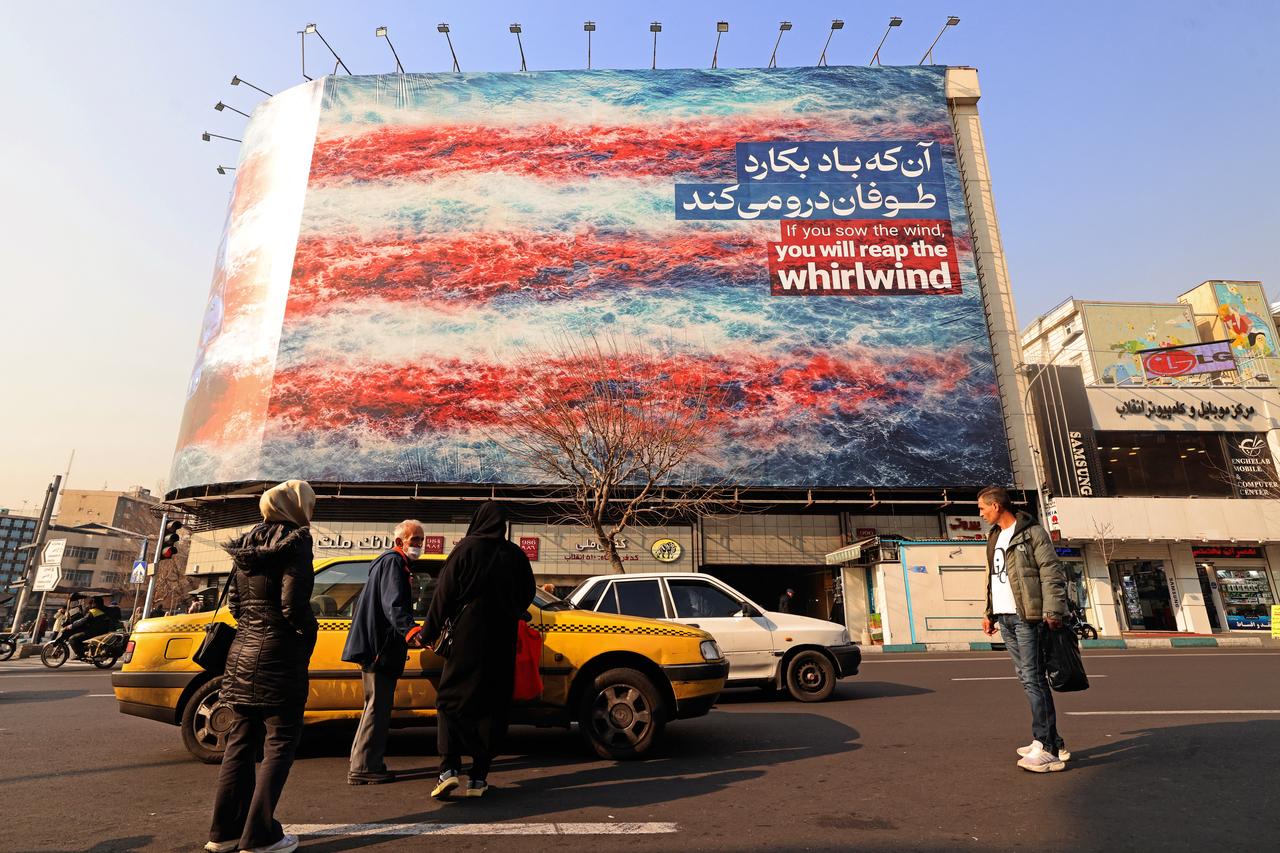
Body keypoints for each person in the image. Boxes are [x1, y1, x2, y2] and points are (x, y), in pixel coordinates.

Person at [207, 480, 318, 853]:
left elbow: (237, 605)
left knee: (239, 744)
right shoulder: (297, 542)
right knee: (280, 744)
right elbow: (293, 604)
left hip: (242, 653)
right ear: (297, 507)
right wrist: (307, 633)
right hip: (279, 656)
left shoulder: (247, 544)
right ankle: (259, 836)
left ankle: (223, 834)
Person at [423, 501, 535, 799]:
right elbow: (528, 593)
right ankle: (478, 777)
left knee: (450, 701)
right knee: (492, 706)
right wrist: (510, 610)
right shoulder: (515, 554)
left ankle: (448, 769)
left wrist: (428, 631)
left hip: (467, 637)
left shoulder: (465, 549)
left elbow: (443, 594)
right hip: (502, 638)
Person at [978, 485, 1070, 773]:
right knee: (1026, 677)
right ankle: (1050, 740)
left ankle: (1047, 747)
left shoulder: (1032, 533)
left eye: (982, 507)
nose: (980, 513)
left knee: (1033, 678)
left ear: (996, 506)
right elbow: (993, 578)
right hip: (1004, 617)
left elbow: (1051, 571)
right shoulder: (994, 536)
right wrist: (989, 613)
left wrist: (1053, 610)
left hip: (1027, 616)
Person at [341, 519, 427, 785]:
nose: (419, 546)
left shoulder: (388, 562)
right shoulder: (393, 562)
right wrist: (411, 631)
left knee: (373, 706)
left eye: (421, 541)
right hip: (380, 648)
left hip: (376, 646)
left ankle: (362, 763)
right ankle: (365, 766)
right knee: (378, 708)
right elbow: (394, 604)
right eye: (415, 541)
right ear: (400, 541)